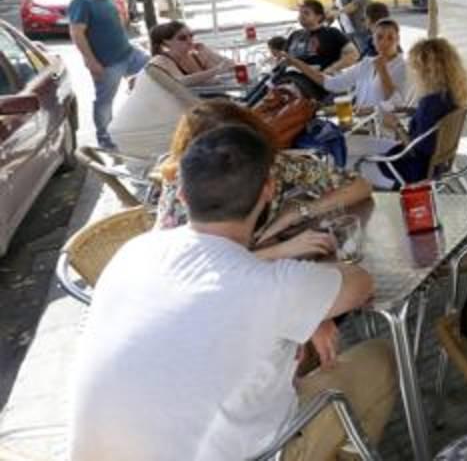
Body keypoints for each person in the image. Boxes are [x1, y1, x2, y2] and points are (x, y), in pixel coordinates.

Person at [69, 125, 396, 461]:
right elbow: (361, 284)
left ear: (181, 194)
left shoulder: (132, 253)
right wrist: (305, 291)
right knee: (378, 360)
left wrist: (297, 299)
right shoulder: (271, 285)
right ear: (269, 190)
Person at [155, 100, 373, 253]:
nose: (233, 158)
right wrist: (277, 252)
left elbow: (358, 185)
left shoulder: (272, 165)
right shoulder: (182, 188)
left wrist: (297, 213)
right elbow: (188, 269)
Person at [356, 38, 467, 189]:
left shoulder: (429, 105)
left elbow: (415, 151)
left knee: (356, 163)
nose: (412, 73)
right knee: (359, 145)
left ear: (427, 71)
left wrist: (396, 126)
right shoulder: (450, 97)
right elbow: (432, 126)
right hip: (437, 166)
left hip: (413, 172)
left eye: (414, 68)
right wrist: (411, 111)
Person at [69, 0, 149, 149]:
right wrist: (91, 61)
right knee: (105, 102)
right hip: (108, 63)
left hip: (129, 53)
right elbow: (77, 33)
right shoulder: (82, 2)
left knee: (157, 69)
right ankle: (105, 139)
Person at [279, 18, 410, 113]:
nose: (384, 42)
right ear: (373, 40)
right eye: (379, 37)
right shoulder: (367, 63)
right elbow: (332, 84)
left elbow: (397, 103)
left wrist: (382, 71)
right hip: (363, 124)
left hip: (387, 129)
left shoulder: (403, 66)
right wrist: (296, 63)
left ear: (398, 40)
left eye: (390, 38)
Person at [146, 20, 232, 87]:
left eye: (191, 36)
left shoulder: (195, 56)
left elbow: (230, 67)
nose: (189, 41)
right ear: (166, 42)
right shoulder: (161, 60)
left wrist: (209, 52)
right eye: (182, 38)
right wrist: (216, 70)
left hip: (209, 99)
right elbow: (181, 81)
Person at [286, 0, 359, 76]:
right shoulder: (294, 35)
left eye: (306, 13)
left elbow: (353, 54)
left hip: (318, 78)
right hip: (292, 77)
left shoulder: (331, 33)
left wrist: (331, 69)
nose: (301, 16)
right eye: (300, 13)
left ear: (319, 17)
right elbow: (285, 58)